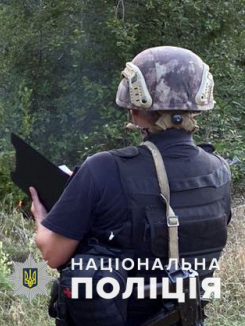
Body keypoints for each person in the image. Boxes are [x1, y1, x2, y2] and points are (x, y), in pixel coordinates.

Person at [29, 46, 232, 326]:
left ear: (135, 110)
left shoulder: (103, 168)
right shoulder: (219, 169)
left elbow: (52, 253)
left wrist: (42, 217)